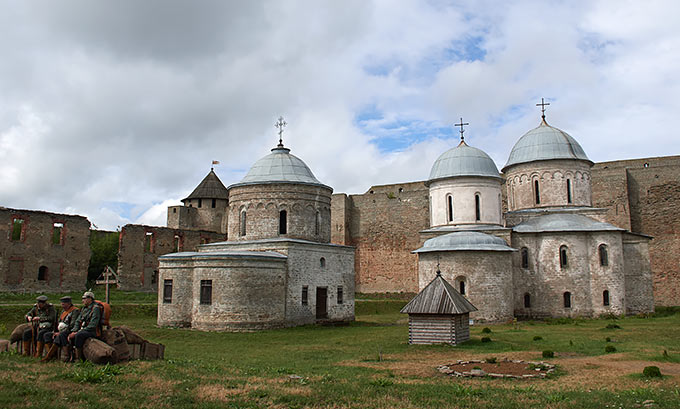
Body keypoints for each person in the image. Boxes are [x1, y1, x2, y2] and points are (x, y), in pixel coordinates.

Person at [42, 296, 80, 362]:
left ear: (69, 304)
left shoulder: (75, 311)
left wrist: (60, 332)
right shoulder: (63, 311)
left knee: (61, 336)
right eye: (62, 304)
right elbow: (59, 322)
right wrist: (55, 331)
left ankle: (65, 356)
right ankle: (52, 355)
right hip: (61, 330)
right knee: (47, 335)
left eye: (64, 304)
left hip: (69, 330)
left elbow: (72, 324)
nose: (62, 305)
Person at [68, 291, 101, 361]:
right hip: (82, 329)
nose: (83, 300)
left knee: (79, 335)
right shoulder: (84, 309)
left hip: (92, 331)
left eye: (84, 298)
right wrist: (74, 330)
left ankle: (79, 358)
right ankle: (70, 355)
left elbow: (93, 324)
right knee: (68, 334)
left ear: (90, 299)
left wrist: (78, 332)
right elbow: (77, 321)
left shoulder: (95, 308)